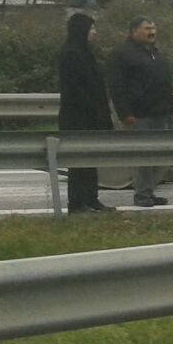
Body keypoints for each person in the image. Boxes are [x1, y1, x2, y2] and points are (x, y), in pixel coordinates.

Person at [106, 14, 173, 207]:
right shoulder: (122, 54)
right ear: (134, 31)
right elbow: (117, 87)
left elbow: (165, 82)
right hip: (139, 114)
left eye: (153, 28)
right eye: (147, 29)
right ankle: (142, 195)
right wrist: (125, 114)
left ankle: (150, 191)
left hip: (160, 113)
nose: (152, 32)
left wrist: (172, 109)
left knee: (158, 156)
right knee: (143, 156)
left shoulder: (155, 52)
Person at [56, 11, 114, 214]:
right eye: (91, 28)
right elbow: (79, 90)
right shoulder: (72, 54)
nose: (94, 33)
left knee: (91, 160)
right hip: (78, 117)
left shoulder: (84, 52)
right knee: (78, 162)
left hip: (90, 116)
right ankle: (77, 203)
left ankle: (91, 198)